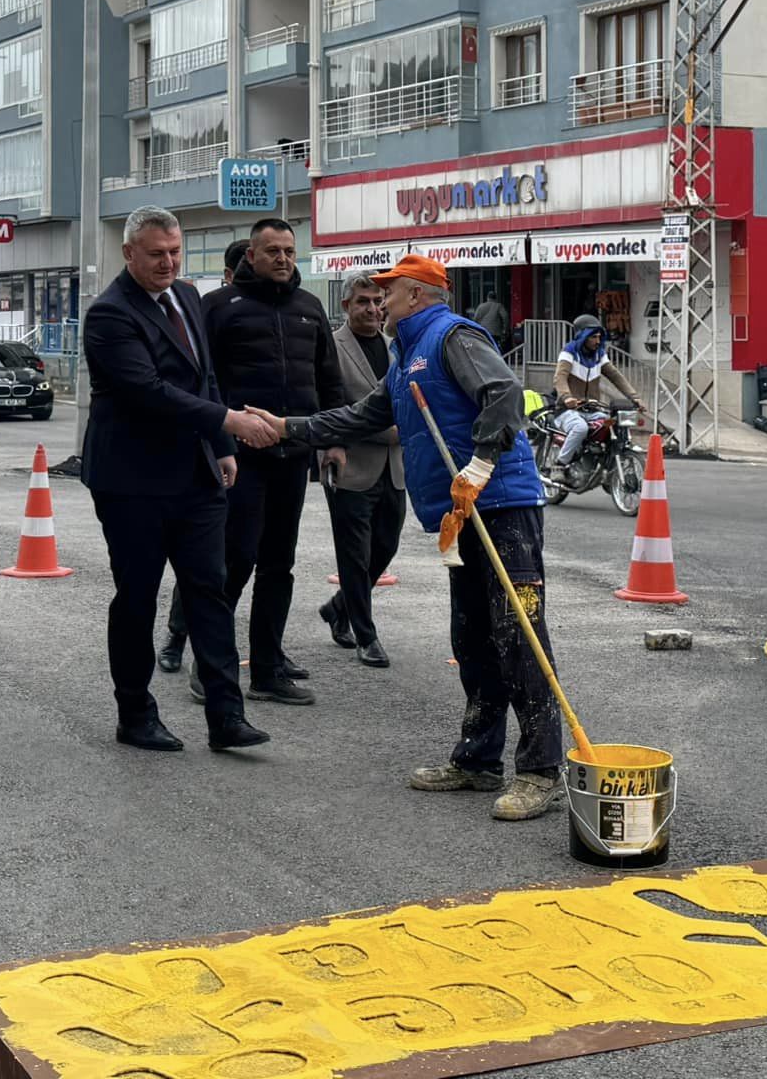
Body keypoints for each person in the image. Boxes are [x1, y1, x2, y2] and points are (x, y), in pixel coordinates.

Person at [250, 253, 564, 822]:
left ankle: (542, 771)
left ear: (416, 296)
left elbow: (503, 395)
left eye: (389, 292)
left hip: (501, 507)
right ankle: (477, 760)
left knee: (519, 636)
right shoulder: (406, 356)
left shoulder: (451, 337)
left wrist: (480, 465)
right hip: (460, 516)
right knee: (471, 637)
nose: (381, 300)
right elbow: (359, 417)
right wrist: (287, 428)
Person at [81, 206, 273, 754]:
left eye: (174, 252)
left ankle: (226, 716)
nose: (168, 263)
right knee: (137, 598)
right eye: (156, 254)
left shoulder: (188, 296)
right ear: (128, 254)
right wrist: (228, 421)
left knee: (209, 592)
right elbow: (147, 391)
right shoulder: (109, 314)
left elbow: (204, 375)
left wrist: (221, 446)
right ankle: (135, 713)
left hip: (196, 473)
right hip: (133, 480)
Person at [191, 217, 345, 707]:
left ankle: (267, 667)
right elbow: (202, 382)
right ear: (250, 257)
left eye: (289, 251)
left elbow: (329, 379)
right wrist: (217, 443)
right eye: (272, 251)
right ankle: (208, 663)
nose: (282, 259)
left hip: (292, 456)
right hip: (241, 459)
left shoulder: (309, 307)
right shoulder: (218, 307)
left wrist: (333, 440)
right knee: (236, 560)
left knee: (280, 564)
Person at [157, 237, 249, 674]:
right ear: (233, 272)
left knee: (233, 560)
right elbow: (202, 377)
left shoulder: (295, 306)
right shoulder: (211, 305)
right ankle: (178, 637)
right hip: (211, 437)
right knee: (203, 561)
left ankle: (223, 667)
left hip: (252, 443)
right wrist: (222, 435)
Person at [315, 271, 405, 668]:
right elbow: (330, 407)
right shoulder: (331, 348)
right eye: (363, 302)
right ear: (345, 305)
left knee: (386, 545)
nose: (372, 309)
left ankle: (339, 606)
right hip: (350, 464)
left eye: (377, 301)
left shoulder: (397, 347)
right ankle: (364, 635)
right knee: (354, 554)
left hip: (394, 467)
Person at [549, 314, 647, 476]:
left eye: (599, 337)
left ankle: (607, 465)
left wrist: (634, 397)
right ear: (582, 337)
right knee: (580, 428)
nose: (597, 341)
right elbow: (560, 378)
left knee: (613, 425)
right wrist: (567, 398)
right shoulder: (569, 352)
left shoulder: (599, 355)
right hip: (567, 411)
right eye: (593, 337)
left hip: (592, 410)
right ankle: (560, 465)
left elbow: (615, 376)